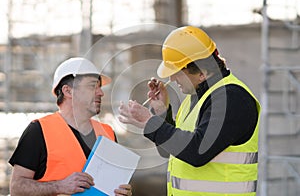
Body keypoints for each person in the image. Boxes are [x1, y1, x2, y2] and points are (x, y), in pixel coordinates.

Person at [118, 26, 260, 196]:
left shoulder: (232, 99)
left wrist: (149, 122)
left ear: (202, 73)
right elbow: (172, 151)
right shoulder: (196, 98)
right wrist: (162, 112)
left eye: (177, 72)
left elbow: (197, 151)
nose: (171, 78)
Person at [9, 57, 132, 196]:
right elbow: (16, 188)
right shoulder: (39, 130)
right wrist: (59, 186)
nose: (100, 93)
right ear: (68, 91)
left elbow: (111, 185)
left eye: (100, 87)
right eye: (93, 86)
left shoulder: (108, 133)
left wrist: (122, 192)